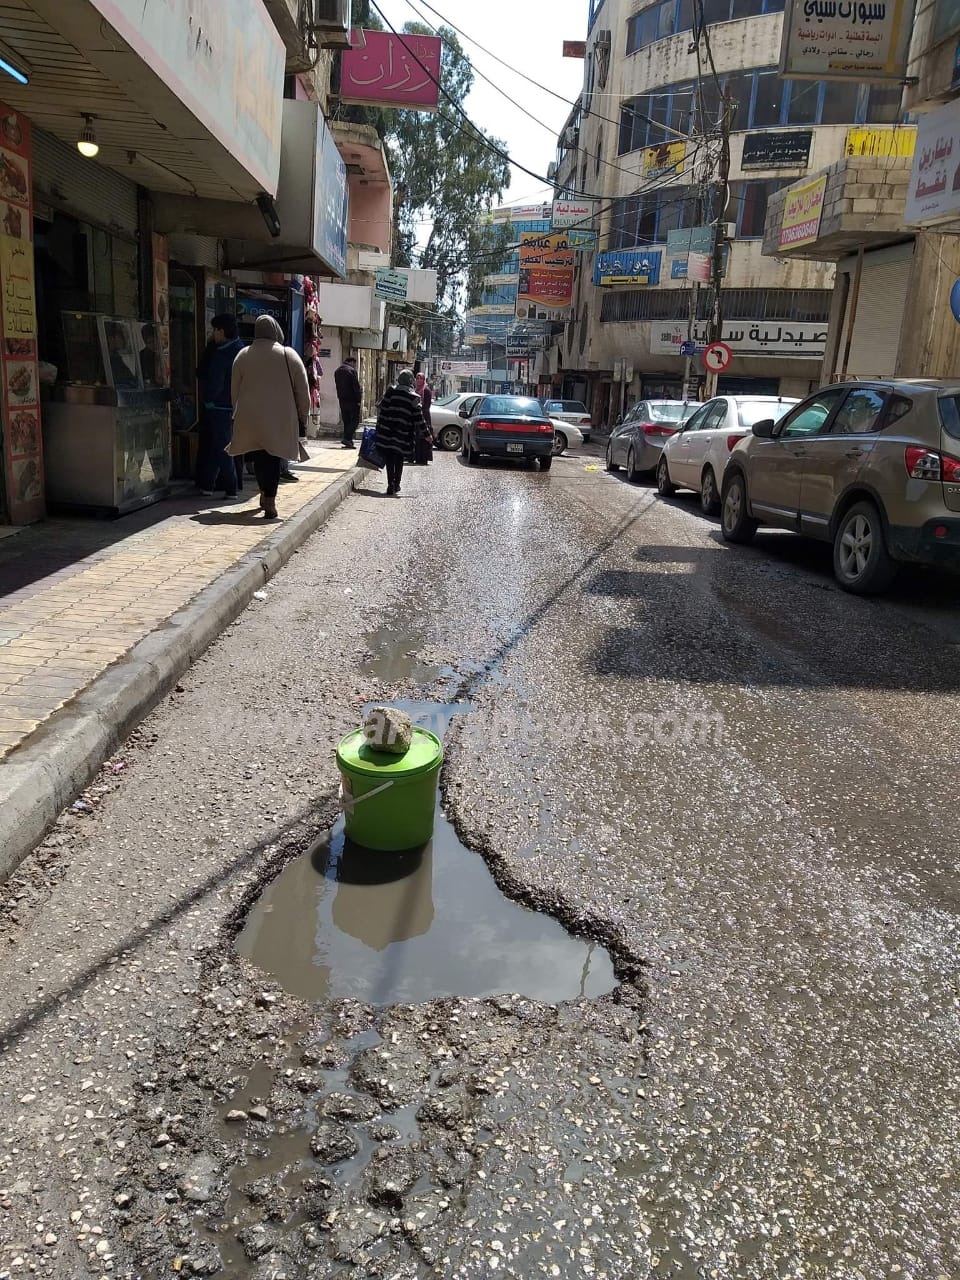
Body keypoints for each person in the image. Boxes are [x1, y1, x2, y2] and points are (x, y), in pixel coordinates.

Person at [228, 315, 310, 520]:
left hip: (250, 417)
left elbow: (234, 391)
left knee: (258, 456)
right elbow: (303, 390)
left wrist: (236, 413)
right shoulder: (288, 354)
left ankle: (264, 494)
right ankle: (270, 501)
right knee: (273, 458)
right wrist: (303, 415)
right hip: (280, 417)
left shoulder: (243, 355)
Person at [196, 314, 244, 497]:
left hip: (219, 407)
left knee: (222, 447)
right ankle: (208, 484)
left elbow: (215, 382)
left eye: (214, 330)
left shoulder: (222, 353)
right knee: (218, 445)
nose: (213, 334)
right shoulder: (241, 350)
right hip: (236, 406)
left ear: (221, 331)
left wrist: (208, 400)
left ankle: (230, 487)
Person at [376, 369, 425, 497]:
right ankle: (396, 484)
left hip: (387, 431)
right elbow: (418, 417)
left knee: (389, 458)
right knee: (399, 458)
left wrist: (379, 427)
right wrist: (427, 435)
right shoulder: (413, 397)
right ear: (410, 381)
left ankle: (390, 484)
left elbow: (382, 408)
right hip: (402, 435)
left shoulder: (390, 392)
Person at [334, 355, 362, 449]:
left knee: (346, 421)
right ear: (352, 362)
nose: (355, 366)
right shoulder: (351, 371)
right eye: (355, 364)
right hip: (352, 399)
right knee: (355, 420)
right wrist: (358, 399)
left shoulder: (337, 371)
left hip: (342, 399)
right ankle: (347, 438)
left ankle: (348, 441)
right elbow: (356, 387)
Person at [104, 322, 137, 388]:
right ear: (111, 338)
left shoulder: (115, 355)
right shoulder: (108, 357)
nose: (125, 340)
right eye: (122, 337)